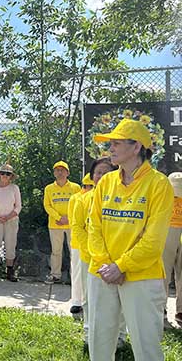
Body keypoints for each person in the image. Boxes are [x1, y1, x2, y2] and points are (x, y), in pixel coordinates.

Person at [87, 118, 173, 361]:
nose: (110, 149)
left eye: (116, 143)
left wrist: (121, 266)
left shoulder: (158, 184)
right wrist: (108, 266)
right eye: (110, 143)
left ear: (136, 147)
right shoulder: (106, 182)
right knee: (99, 343)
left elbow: (153, 241)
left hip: (142, 276)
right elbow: (94, 227)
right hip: (102, 272)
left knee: (147, 349)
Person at [71, 157, 120, 345]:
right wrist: (92, 253)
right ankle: (89, 333)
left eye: (106, 171)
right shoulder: (83, 200)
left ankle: (119, 337)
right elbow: (78, 228)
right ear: (92, 176)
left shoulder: (119, 200)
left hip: (116, 260)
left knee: (118, 299)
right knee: (89, 298)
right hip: (89, 259)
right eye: (98, 172)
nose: (102, 176)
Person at [43, 161, 81, 284]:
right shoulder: (49, 188)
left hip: (72, 224)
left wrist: (69, 218)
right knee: (56, 251)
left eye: (62, 170)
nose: (60, 172)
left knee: (74, 251)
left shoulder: (76, 188)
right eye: (57, 170)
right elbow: (47, 206)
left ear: (68, 173)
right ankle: (55, 275)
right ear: (54, 173)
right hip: (55, 225)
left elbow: (79, 204)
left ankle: (74, 276)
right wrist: (58, 218)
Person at [67, 173, 94, 316]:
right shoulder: (76, 198)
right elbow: (74, 222)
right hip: (79, 243)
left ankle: (90, 301)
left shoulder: (99, 197)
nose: (89, 188)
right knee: (78, 273)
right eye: (88, 186)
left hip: (97, 245)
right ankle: (77, 302)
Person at [164, 172, 182, 328]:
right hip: (167, 232)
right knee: (162, 272)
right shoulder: (162, 197)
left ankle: (181, 311)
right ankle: (160, 309)